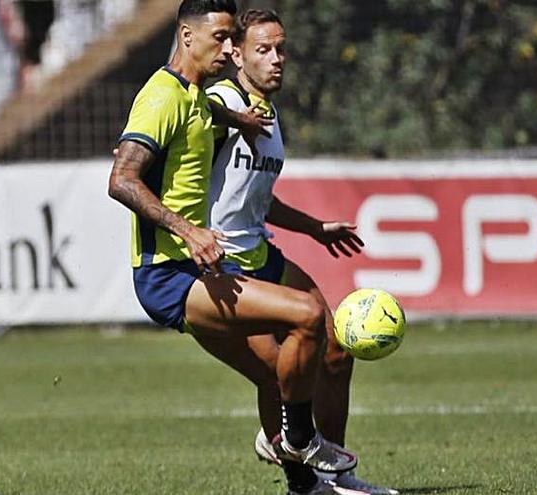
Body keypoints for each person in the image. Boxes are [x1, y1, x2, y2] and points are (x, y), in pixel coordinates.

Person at [107, 1, 358, 494]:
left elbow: (201, 111)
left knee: (282, 370)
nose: (228, 49)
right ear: (186, 36)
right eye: (220, 39)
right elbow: (121, 179)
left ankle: (303, 474)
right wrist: (187, 229)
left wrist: (234, 119)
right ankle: (300, 439)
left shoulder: (195, 95)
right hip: (168, 275)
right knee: (307, 318)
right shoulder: (160, 98)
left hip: (197, 270)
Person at [203, 10, 399, 495]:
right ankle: (301, 478)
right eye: (263, 50)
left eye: (281, 49)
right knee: (278, 373)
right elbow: (191, 117)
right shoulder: (222, 100)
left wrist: (314, 228)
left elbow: (257, 198)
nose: (276, 60)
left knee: (335, 352)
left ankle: (335, 476)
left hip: (262, 253)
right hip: (222, 266)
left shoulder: (269, 115)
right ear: (237, 54)